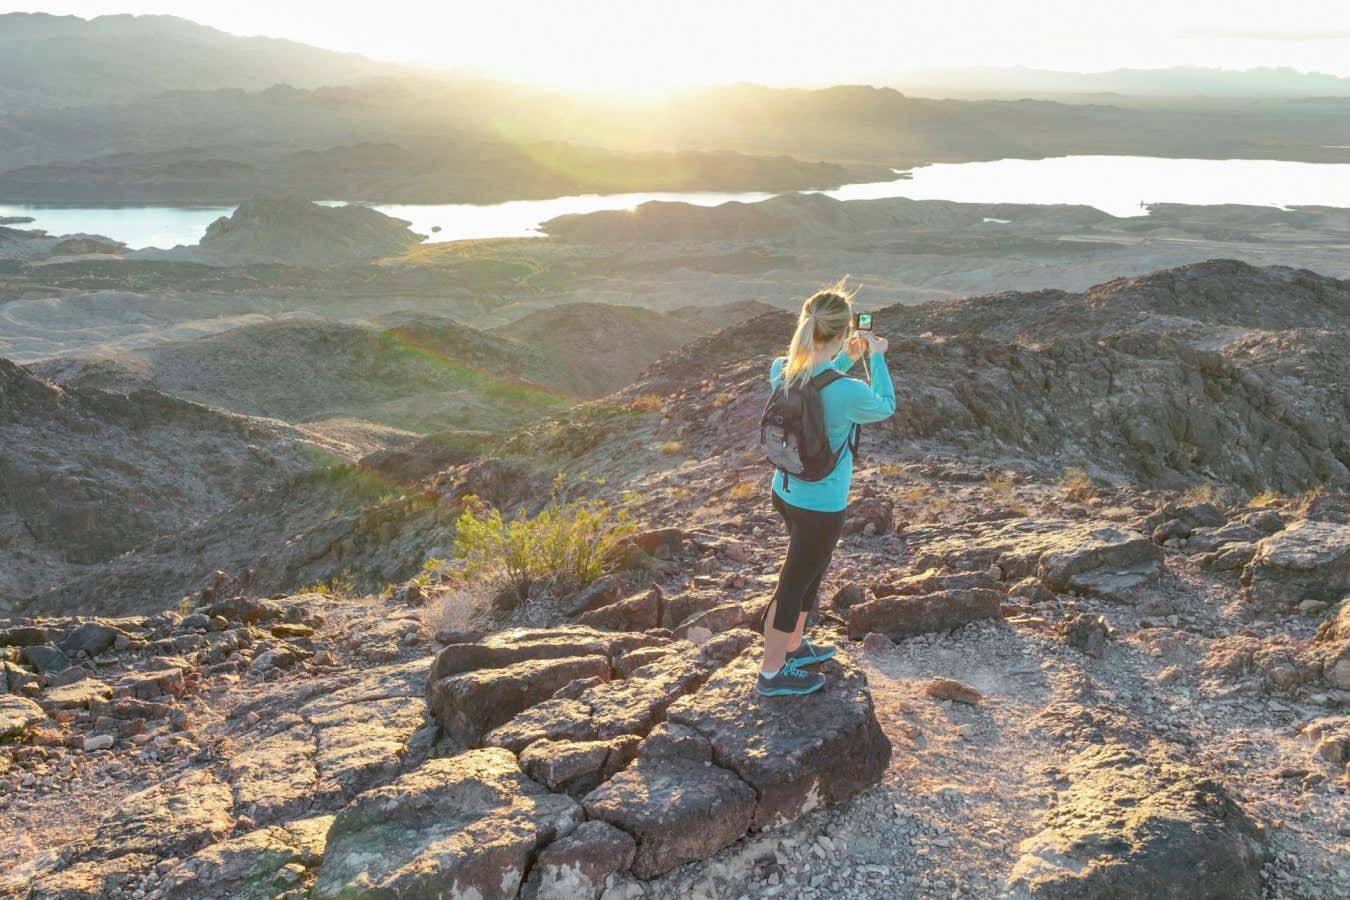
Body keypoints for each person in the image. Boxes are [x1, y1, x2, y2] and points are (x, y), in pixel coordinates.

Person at [756, 281, 895, 697]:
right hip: (822, 504)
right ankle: (771, 673)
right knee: (795, 581)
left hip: (785, 491)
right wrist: (876, 358)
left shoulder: (782, 369)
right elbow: (884, 406)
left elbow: (818, 386)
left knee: (807, 574)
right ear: (839, 335)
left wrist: (845, 359)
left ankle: (794, 647)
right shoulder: (850, 392)